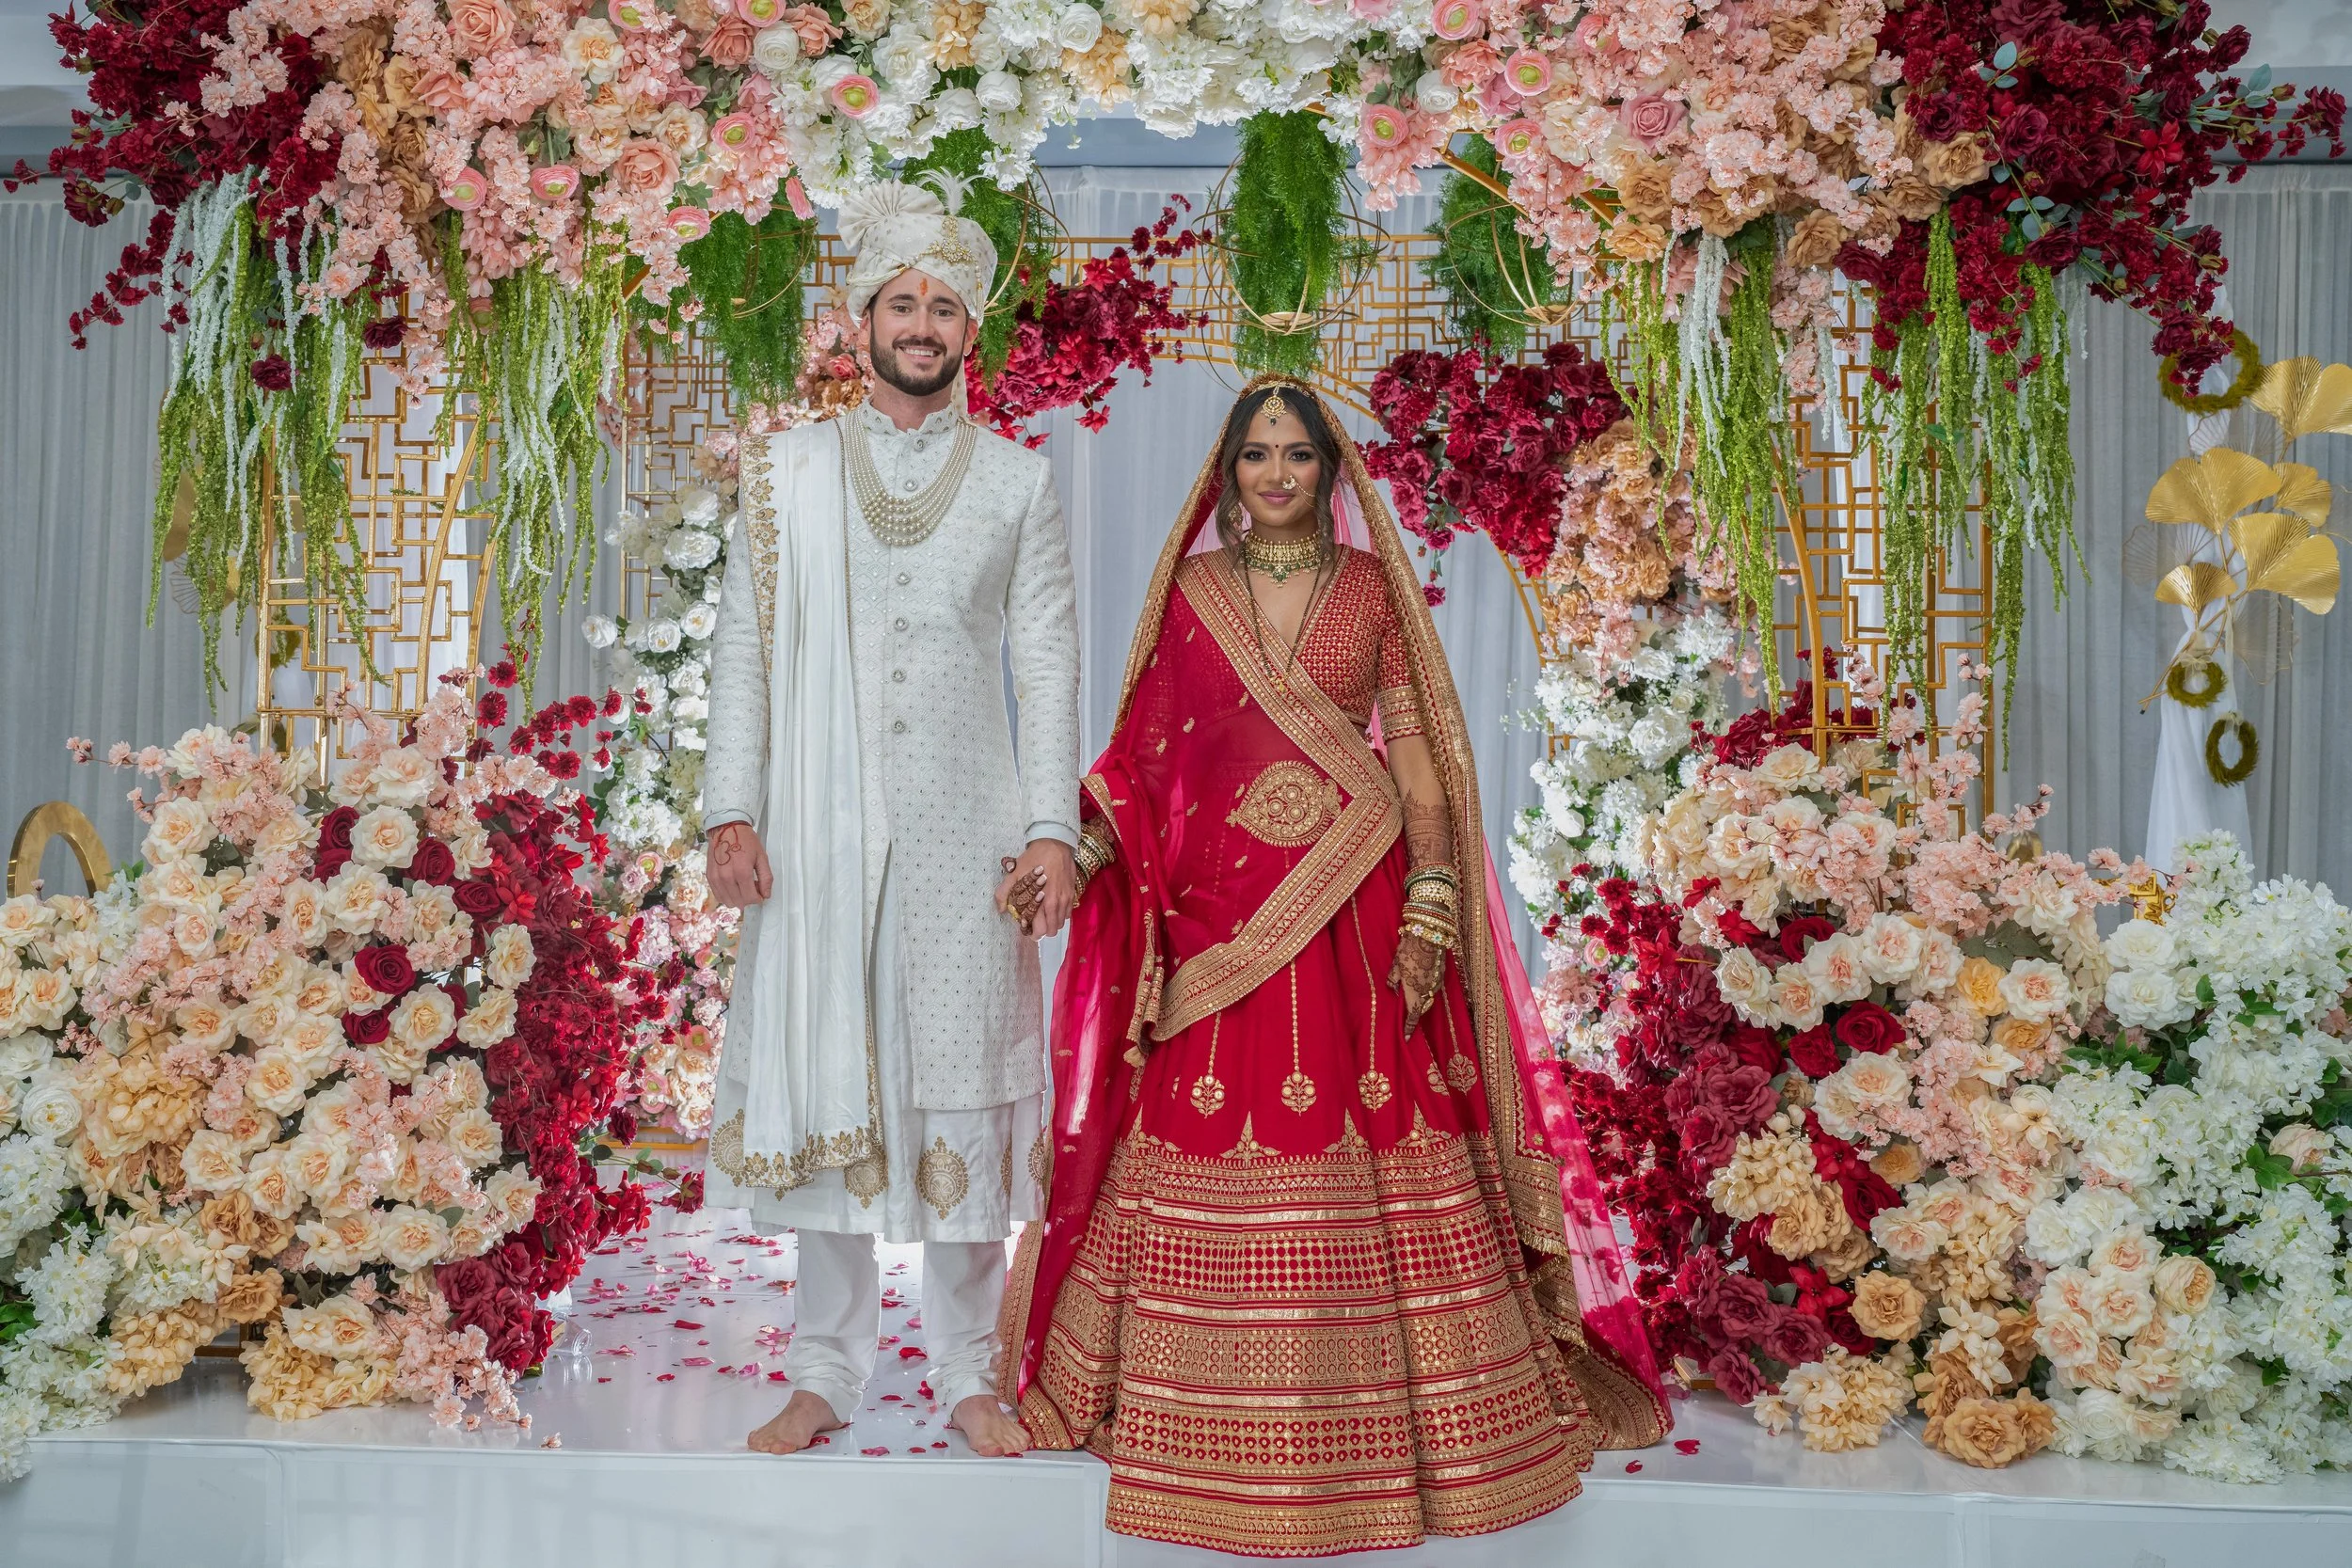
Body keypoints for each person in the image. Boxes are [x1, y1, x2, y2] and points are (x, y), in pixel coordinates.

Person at [995, 378, 1669, 1557]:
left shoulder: (1366, 590)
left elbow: (1418, 773)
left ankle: (1396, 1432)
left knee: (1377, 1133)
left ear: (1329, 470)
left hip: (1355, 910)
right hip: (1217, 922)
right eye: (1254, 453)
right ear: (1227, 469)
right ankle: (1200, 1419)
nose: (1273, 473)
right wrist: (1080, 850)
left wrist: (1431, 905)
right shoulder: (1195, 593)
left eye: (1295, 454)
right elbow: (1147, 761)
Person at [699, 176, 1080, 1461]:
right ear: (858, 324)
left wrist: (1050, 831)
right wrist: (732, 811)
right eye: (900, 302)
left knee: (965, 1070)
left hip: (968, 829)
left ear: (971, 335)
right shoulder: (785, 474)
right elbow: (743, 652)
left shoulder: (1021, 483)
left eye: (944, 307)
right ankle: (825, 1370)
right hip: (817, 832)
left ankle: (969, 1369)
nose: (921, 323)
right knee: (830, 1070)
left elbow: (1049, 657)